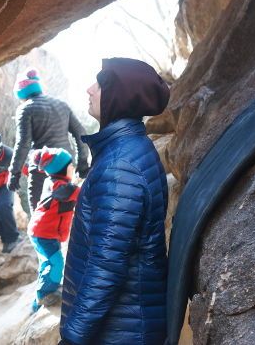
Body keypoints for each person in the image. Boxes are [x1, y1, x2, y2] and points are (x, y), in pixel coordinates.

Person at [60, 58, 170, 345]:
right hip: (127, 324)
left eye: (100, 83)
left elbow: (106, 267)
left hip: (121, 331)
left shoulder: (119, 167)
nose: (89, 89)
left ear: (119, 97)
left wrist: (72, 337)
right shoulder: (128, 150)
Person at [7, 69, 89, 212]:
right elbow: (81, 133)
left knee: (39, 213)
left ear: (21, 93)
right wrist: (82, 164)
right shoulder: (61, 105)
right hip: (65, 166)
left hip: (42, 167)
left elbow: (23, 143)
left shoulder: (25, 109)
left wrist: (14, 173)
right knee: (63, 212)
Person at [26, 146, 79, 312]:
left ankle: (41, 296)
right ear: (61, 169)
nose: (73, 168)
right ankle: (44, 295)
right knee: (55, 262)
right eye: (71, 166)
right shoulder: (57, 185)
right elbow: (75, 193)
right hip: (43, 233)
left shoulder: (57, 183)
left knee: (49, 262)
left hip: (44, 232)